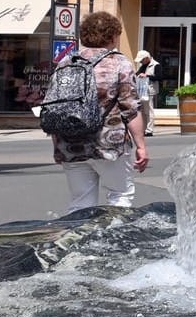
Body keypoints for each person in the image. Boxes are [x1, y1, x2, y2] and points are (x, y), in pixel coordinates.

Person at [46, 11, 147, 213]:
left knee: (80, 203)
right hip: (109, 143)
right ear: (112, 36)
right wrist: (141, 146)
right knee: (120, 197)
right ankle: (114, 241)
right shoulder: (119, 63)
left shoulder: (66, 63)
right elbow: (130, 109)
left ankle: (76, 242)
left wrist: (57, 145)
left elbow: (56, 108)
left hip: (71, 144)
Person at [131, 49, 157, 137]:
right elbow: (137, 73)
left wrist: (147, 76)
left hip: (150, 91)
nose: (141, 62)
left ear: (146, 58)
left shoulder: (156, 65)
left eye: (142, 60)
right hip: (142, 91)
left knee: (149, 110)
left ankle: (149, 130)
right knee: (143, 111)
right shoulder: (143, 66)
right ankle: (144, 128)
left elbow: (160, 77)